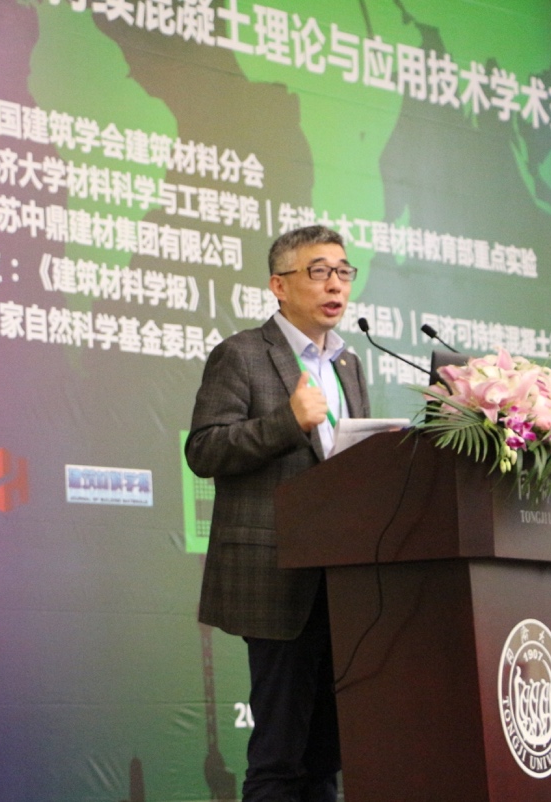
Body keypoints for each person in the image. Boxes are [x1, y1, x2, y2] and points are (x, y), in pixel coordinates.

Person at [185, 225, 370, 802]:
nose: (335, 285)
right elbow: (204, 450)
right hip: (276, 576)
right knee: (279, 760)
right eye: (319, 272)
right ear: (279, 285)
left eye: (343, 272)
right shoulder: (242, 354)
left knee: (326, 762)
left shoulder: (349, 363)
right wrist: (287, 422)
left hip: (341, 581)